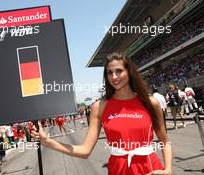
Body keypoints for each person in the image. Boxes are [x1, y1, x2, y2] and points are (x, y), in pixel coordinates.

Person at [31, 53, 172, 175]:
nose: (114, 76)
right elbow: (85, 151)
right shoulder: (99, 107)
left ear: (129, 72)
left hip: (149, 168)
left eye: (119, 71)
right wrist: (48, 142)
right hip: (118, 169)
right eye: (109, 72)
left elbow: (165, 141)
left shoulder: (150, 102)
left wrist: (168, 169)